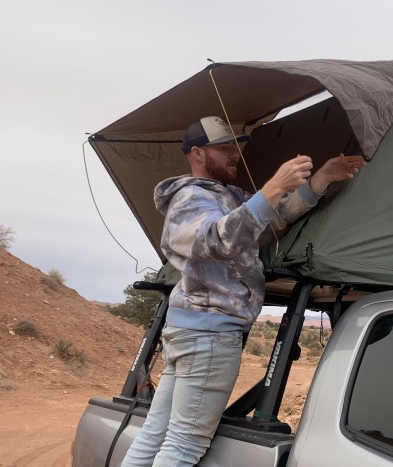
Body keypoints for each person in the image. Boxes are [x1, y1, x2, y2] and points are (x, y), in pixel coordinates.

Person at [121, 116, 365, 466]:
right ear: (197, 154)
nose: (234, 155)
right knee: (184, 446)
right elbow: (218, 240)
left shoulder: (226, 195)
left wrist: (320, 180)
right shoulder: (190, 198)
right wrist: (271, 188)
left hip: (195, 331)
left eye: (234, 147)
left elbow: (274, 216)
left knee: (156, 436)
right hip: (209, 334)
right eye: (223, 149)